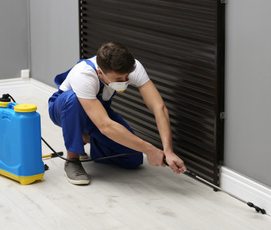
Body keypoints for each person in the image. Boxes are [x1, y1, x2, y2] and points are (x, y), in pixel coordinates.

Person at [48, 42, 186, 185]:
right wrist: (150, 149)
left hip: (98, 111)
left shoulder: (133, 67)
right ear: (100, 72)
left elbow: (159, 107)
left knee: (133, 159)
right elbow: (105, 126)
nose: (125, 81)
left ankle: (85, 137)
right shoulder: (84, 75)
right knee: (74, 99)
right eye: (119, 79)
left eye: (126, 76)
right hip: (64, 110)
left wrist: (168, 150)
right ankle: (72, 159)